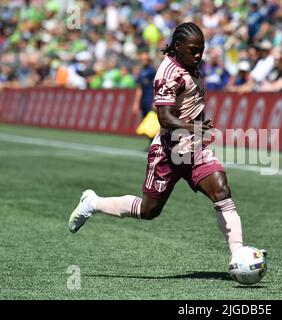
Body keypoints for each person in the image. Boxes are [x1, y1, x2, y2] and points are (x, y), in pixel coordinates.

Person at [68, 22, 261, 259]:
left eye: (201, 49)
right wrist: (191, 126)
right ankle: (93, 203)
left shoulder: (192, 64)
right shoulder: (168, 74)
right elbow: (164, 117)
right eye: (193, 50)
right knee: (149, 210)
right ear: (178, 46)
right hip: (168, 152)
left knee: (222, 191)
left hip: (196, 148)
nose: (198, 55)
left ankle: (238, 253)